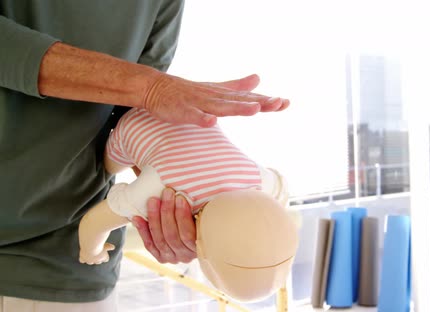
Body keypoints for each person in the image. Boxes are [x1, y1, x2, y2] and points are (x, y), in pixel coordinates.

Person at [0, 1, 289, 311]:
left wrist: (168, 214)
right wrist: (151, 89)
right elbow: (145, 95)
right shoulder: (256, 179)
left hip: (59, 260)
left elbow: (133, 110)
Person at [77, 107, 299, 301]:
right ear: (200, 248)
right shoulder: (163, 190)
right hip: (132, 124)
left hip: (192, 111)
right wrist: (91, 251)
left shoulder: (261, 180)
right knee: (106, 170)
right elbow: (94, 221)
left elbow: (282, 190)